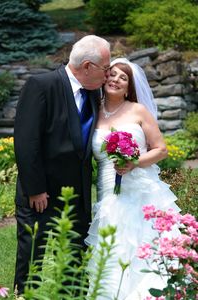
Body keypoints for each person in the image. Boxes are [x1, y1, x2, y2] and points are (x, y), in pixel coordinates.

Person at [13, 35, 111, 295]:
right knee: (32, 258)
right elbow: (26, 141)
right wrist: (35, 189)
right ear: (88, 66)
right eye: (105, 68)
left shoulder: (94, 92)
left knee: (74, 263)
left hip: (76, 195)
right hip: (41, 195)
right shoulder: (42, 85)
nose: (108, 74)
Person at [85, 58, 180, 299]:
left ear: (129, 87)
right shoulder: (92, 110)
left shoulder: (138, 111)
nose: (116, 80)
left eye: (123, 78)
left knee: (140, 241)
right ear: (105, 77)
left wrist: (134, 162)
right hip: (108, 188)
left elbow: (161, 149)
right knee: (113, 243)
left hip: (140, 189)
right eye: (113, 74)